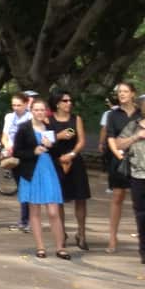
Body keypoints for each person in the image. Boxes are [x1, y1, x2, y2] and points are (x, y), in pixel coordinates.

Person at [12, 98, 67, 259]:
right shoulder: (24, 128)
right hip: (31, 172)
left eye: (42, 110)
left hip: (49, 171)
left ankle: (60, 247)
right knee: (34, 211)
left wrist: (51, 146)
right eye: (36, 110)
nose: (39, 113)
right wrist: (33, 152)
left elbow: (58, 153)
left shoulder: (50, 128)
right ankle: (40, 247)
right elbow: (17, 152)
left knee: (53, 211)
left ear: (46, 111)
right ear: (31, 111)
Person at [49, 90, 90, 251]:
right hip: (56, 161)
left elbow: (81, 141)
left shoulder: (76, 119)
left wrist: (72, 154)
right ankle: (62, 232)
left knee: (81, 198)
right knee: (59, 200)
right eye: (65, 101)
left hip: (75, 161)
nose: (69, 103)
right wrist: (58, 136)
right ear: (57, 103)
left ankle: (81, 233)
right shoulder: (49, 120)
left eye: (70, 100)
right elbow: (46, 140)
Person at [103, 82, 137, 252]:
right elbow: (110, 137)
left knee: (140, 201)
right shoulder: (113, 114)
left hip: (140, 161)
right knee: (117, 197)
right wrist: (117, 152)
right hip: (119, 160)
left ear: (133, 93)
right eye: (119, 92)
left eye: (125, 91)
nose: (122, 94)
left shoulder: (141, 113)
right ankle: (112, 238)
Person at [111, 98, 145, 264]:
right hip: (138, 175)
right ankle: (143, 251)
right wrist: (136, 137)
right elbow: (118, 143)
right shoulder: (134, 125)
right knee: (141, 215)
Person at [1, 91, 34, 231]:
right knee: (21, 187)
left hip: (27, 156)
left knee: (29, 188)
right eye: (13, 105)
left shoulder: (31, 117)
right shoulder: (9, 117)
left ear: (26, 104)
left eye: (19, 105)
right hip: (13, 155)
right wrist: (7, 145)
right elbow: (4, 136)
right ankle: (24, 219)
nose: (16, 108)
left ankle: (30, 220)